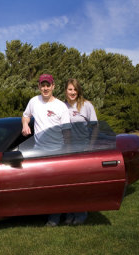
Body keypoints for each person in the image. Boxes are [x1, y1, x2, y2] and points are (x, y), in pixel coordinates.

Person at [22, 73, 71, 227]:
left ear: (53, 86)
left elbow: (67, 130)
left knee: (56, 186)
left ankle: (54, 218)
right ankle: (45, 212)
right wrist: (25, 124)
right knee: (41, 185)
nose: (45, 88)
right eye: (42, 85)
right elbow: (25, 115)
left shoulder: (60, 106)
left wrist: (68, 150)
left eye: (48, 85)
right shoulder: (33, 101)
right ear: (39, 87)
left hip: (57, 150)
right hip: (39, 151)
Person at [64, 78, 98, 225]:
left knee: (80, 184)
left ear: (79, 91)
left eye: (75, 89)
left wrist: (90, 147)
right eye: (70, 89)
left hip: (83, 148)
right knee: (68, 184)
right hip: (67, 150)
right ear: (66, 90)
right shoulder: (62, 106)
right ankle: (70, 213)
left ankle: (81, 214)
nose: (72, 92)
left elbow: (95, 127)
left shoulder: (86, 105)